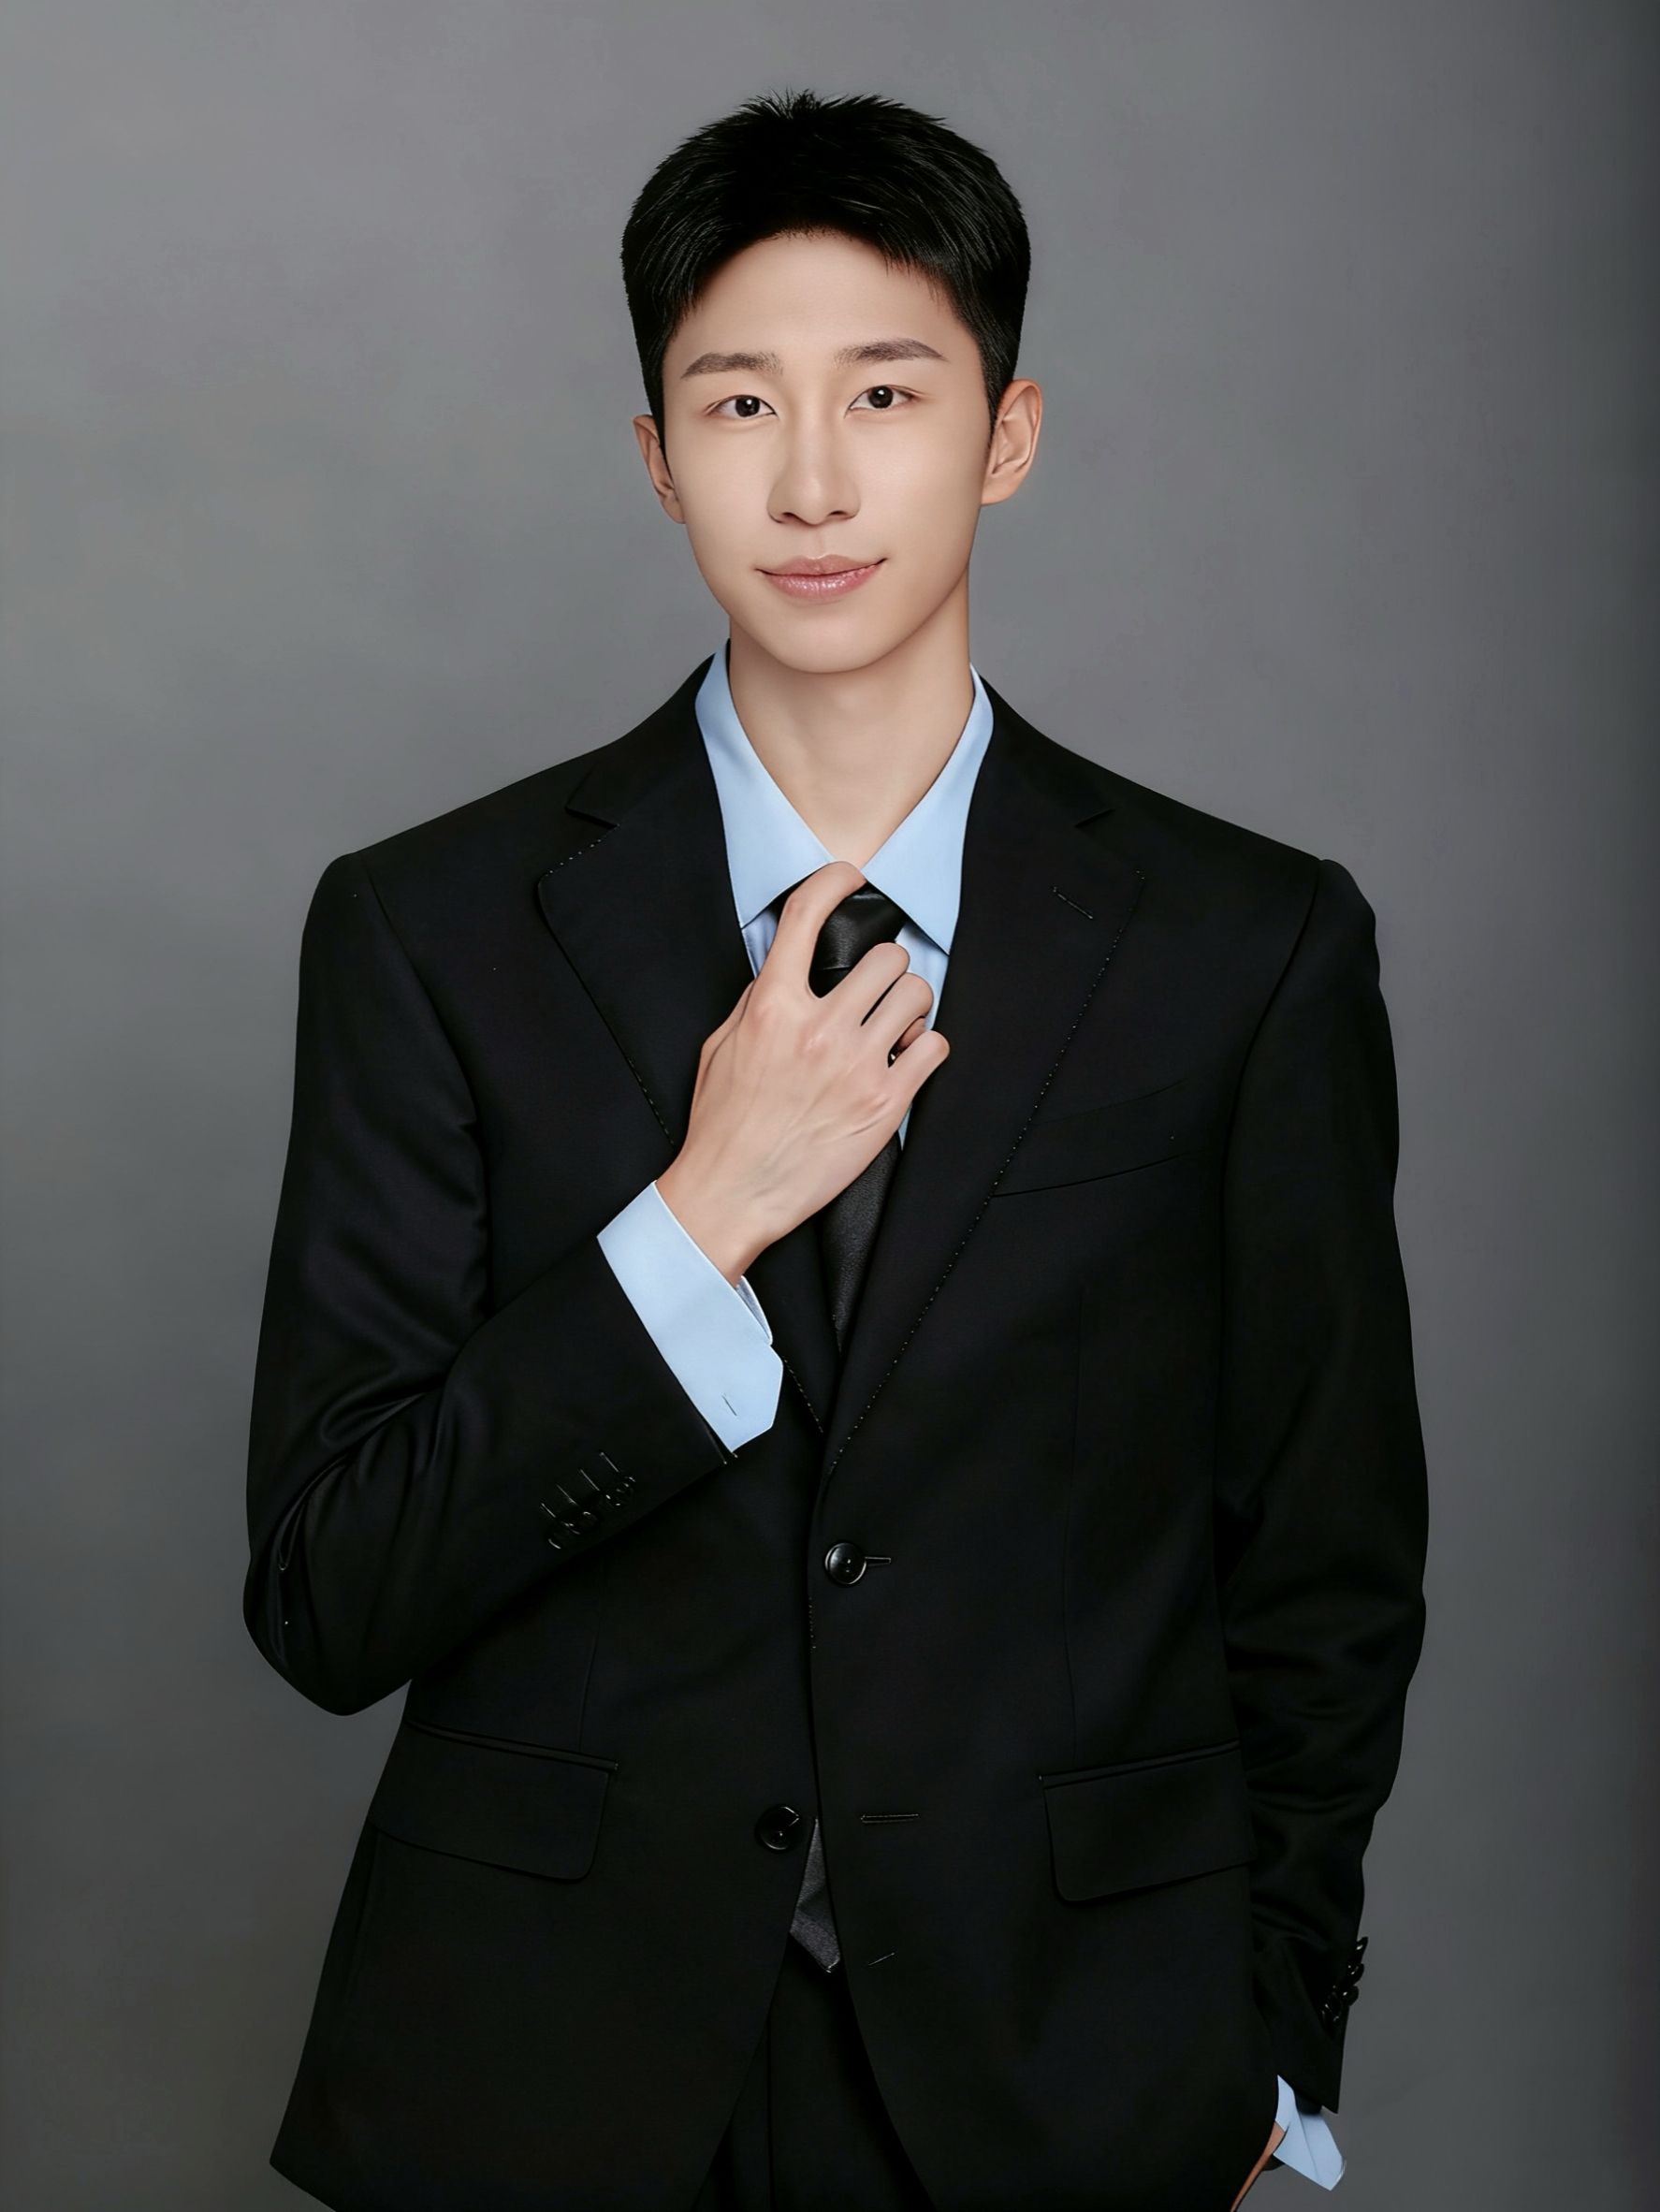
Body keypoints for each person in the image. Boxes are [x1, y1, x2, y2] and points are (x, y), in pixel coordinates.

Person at [245, 86, 1427, 2212]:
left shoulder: (1243, 949)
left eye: (884, 393)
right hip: (541, 2085)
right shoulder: (427, 928)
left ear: (1005, 433)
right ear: (654, 455)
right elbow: (330, 1592)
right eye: (737, 405)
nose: (809, 480)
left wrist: (1271, 2043)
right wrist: (695, 1219)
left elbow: (1321, 1563)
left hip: (1067, 2070)